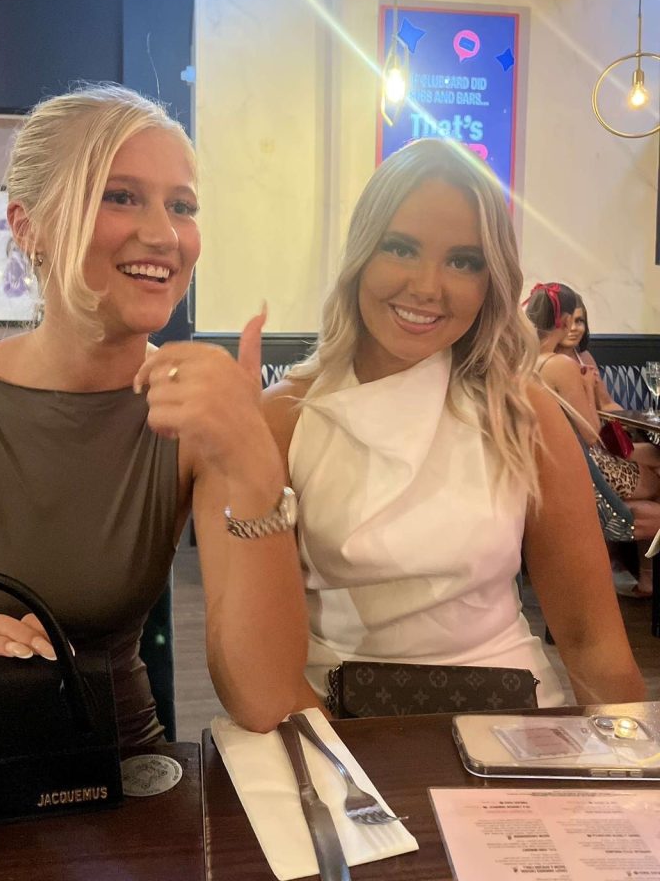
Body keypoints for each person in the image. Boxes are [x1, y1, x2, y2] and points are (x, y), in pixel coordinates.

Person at [0, 83, 308, 747]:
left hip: (126, 778)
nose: (164, 235)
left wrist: (255, 463)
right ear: (29, 227)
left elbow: (262, 700)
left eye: (181, 206)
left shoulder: (190, 418)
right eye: (121, 196)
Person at [263, 139, 645, 711]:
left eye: (463, 261)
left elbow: (592, 640)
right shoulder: (285, 418)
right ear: (361, 254)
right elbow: (261, 656)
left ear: (492, 281)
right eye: (400, 248)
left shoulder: (524, 411)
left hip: (511, 717)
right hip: (338, 717)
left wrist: (635, 759)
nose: (427, 286)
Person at [525, 281, 658, 598]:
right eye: (572, 318)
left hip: (555, 464)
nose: (575, 326)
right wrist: (586, 386)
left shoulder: (528, 361)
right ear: (563, 320)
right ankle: (628, 568)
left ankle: (634, 574)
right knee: (656, 477)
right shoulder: (561, 364)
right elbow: (590, 432)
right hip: (584, 465)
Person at [555, 297, 621, 413]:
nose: (573, 328)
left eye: (579, 321)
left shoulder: (585, 357)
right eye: (566, 322)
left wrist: (632, 422)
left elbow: (606, 404)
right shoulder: (544, 360)